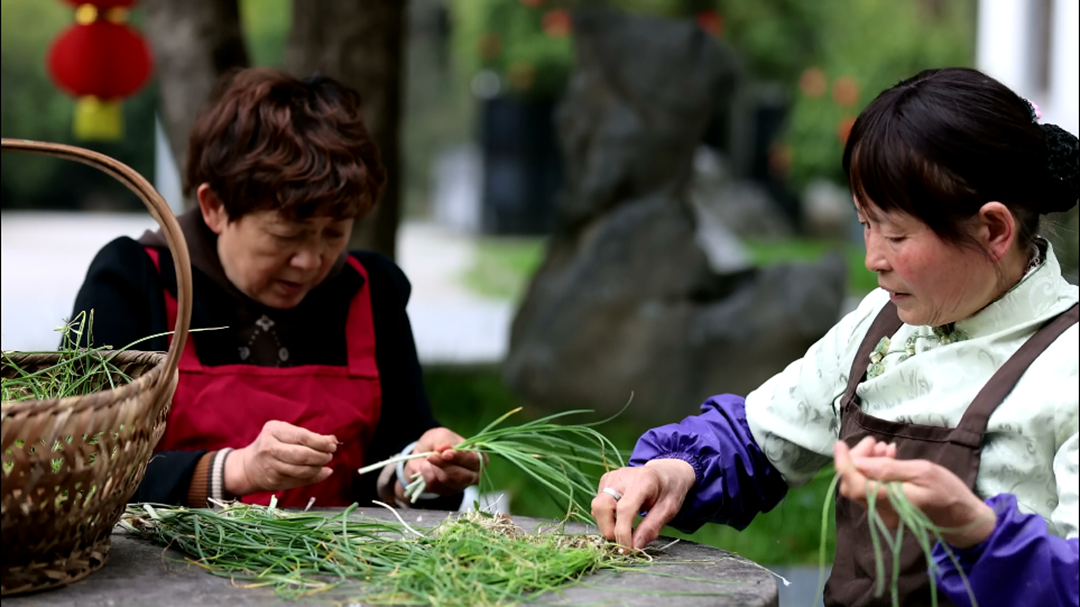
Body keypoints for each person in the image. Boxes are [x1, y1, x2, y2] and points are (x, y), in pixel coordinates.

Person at [592, 68, 1079, 607]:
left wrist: (975, 530)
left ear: (992, 230)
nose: (873, 259)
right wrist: (676, 470)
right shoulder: (882, 324)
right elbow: (761, 435)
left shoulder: (1067, 363)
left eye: (895, 234)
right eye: (865, 226)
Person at [70, 68, 480, 510]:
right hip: (159, 570)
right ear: (214, 208)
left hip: (339, 573)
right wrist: (236, 471)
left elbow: (394, 454)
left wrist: (417, 470)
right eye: (287, 236)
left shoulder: (371, 291)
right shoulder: (134, 281)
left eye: (334, 233)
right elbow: (81, 465)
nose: (311, 261)